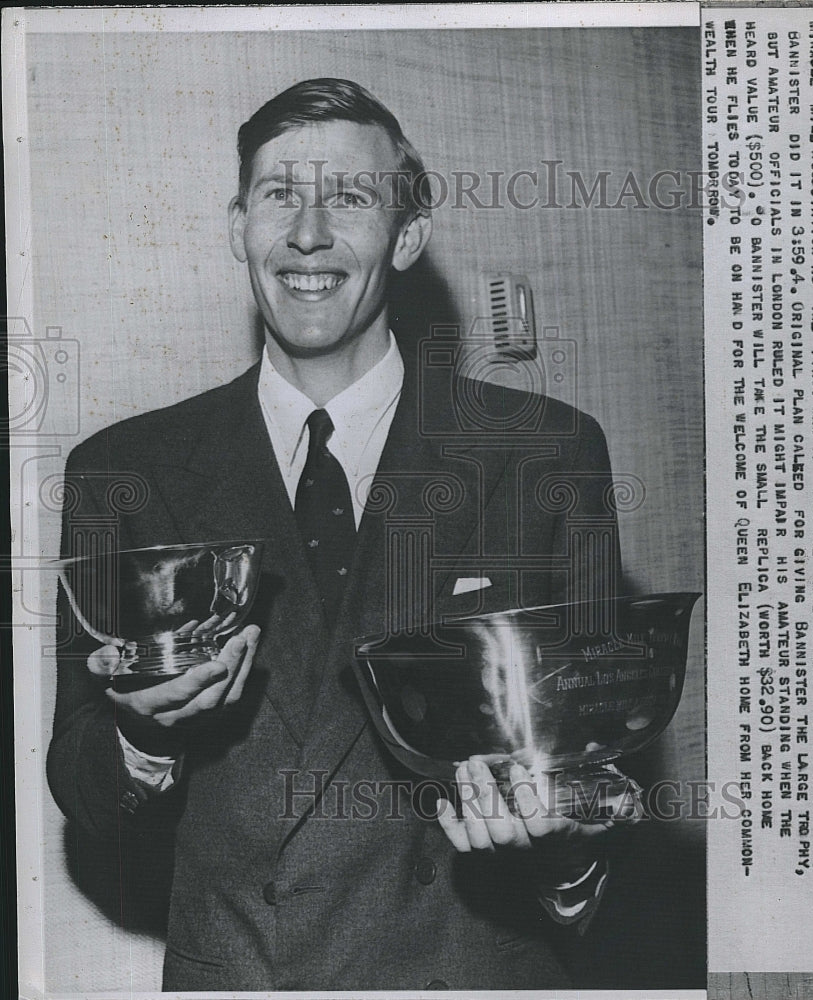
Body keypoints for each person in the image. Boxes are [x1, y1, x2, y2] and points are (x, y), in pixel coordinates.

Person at [47, 78, 632, 991]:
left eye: (350, 199)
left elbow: (601, 775)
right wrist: (143, 740)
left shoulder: (546, 457)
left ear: (406, 237)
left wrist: (564, 848)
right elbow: (87, 795)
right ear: (239, 224)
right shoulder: (125, 470)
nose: (308, 233)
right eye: (280, 194)